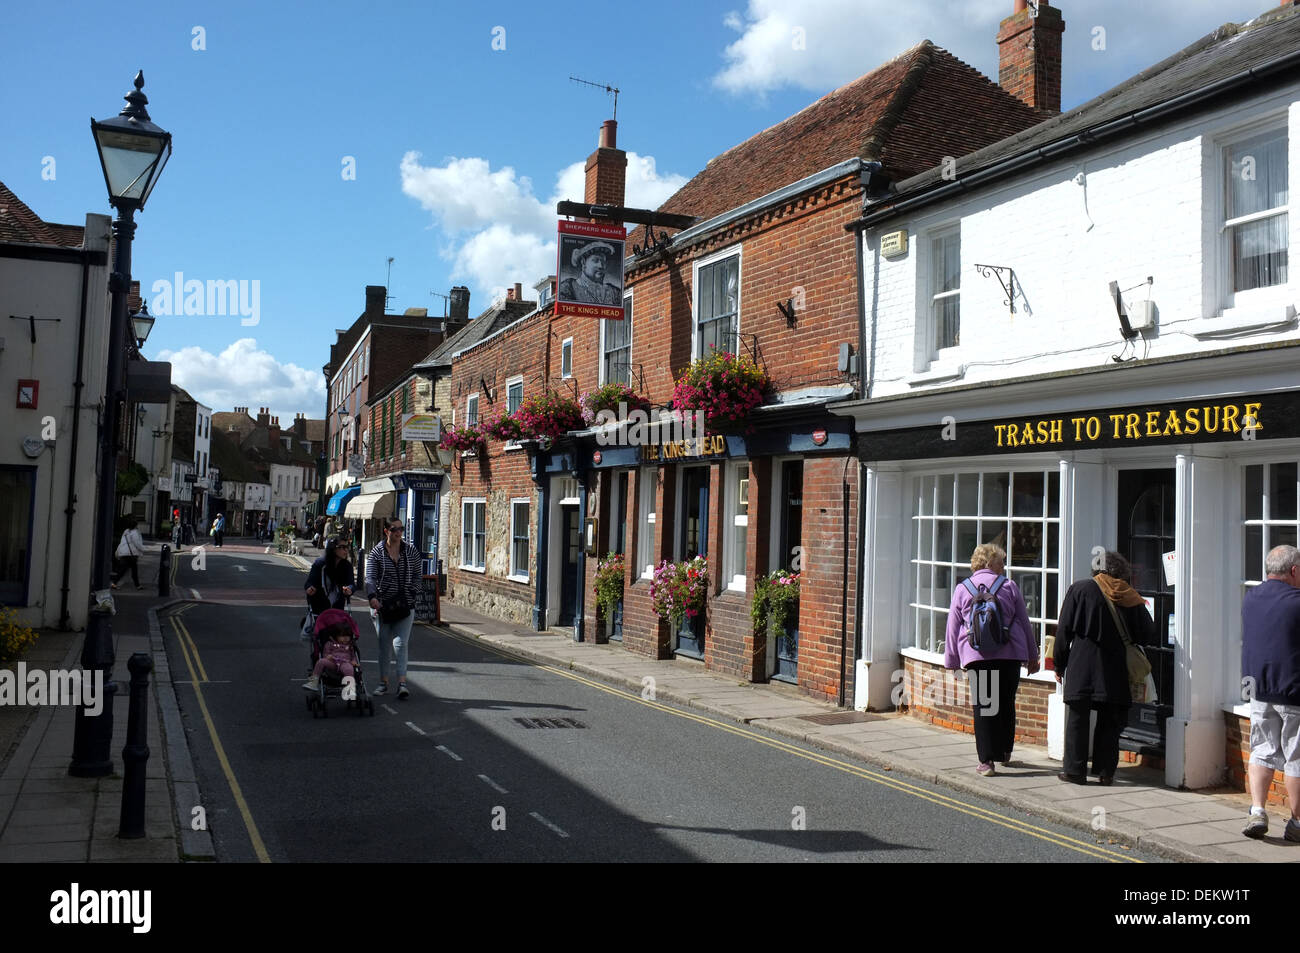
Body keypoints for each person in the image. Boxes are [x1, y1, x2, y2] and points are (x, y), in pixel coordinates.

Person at [1054, 549, 1155, 785]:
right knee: (1110, 721)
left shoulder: (1080, 589)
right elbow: (1147, 634)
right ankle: (1104, 772)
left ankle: (1074, 771)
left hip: (1082, 666)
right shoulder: (1130, 596)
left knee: (1078, 719)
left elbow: (1064, 631)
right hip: (1115, 668)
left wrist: (1059, 663)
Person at [944, 543, 1038, 776]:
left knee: (985, 705)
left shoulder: (962, 588)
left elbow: (953, 627)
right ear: (989, 563)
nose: (1003, 566)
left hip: (977, 656)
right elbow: (1025, 623)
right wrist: (1032, 655)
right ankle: (1004, 751)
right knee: (1005, 703)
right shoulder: (1009, 586)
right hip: (1010, 656)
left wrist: (952, 661)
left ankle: (986, 762)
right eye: (1000, 562)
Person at [1240, 544, 1300, 840]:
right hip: (1293, 690)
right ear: (1293, 570)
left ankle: (1257, 811)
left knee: (1262, 751)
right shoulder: (1297, 601)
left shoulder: (1251, 598)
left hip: (1258, 689)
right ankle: (1297, 823)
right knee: (1296, 757)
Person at [365, 517, 421, 699]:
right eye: (394, 529)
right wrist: (372, 597)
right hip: (383, 606)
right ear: (386, 531)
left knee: (400, 643)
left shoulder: (410, 551)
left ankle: (402, 684)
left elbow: (417, 575)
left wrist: (412, 594)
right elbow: (370, 578)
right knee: (384, 645)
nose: (398, 532)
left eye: (401, 529)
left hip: (405, 605)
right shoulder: (377, 553)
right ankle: (383, 683)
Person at [303, 617, 360, 700]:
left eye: (347, 636)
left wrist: (354, 661)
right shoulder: (330, 643)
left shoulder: (350, 645)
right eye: (342, 636)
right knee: (321, 661)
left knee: (349, 669)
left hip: (345, 662)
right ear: (336, 636)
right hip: (333, 662)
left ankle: (349, 689)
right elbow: (326, 653)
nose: (345, 638)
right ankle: (313, 682)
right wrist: (327, 656)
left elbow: (353, 655)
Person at [306, 538, 355, 615]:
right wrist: (310, 588)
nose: (346, 550)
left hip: (337, 609)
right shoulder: (320, 564)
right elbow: (310, 582)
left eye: (347, 547)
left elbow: (351, 583)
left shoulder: (347, 566)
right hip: (319, 610)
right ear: (333, 549)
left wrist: (350, 589)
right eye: (342, 547)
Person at [112, 521, 146, 590]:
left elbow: (122, 542)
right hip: (131, 554)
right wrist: (143, 549)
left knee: (123, 569)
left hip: (124, 553)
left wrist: (119, 551)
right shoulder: (135, 533)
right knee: (133, 570)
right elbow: (137, 543)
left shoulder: (126, 532)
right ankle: (137, 586)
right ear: (135, 526)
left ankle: (115, 583)